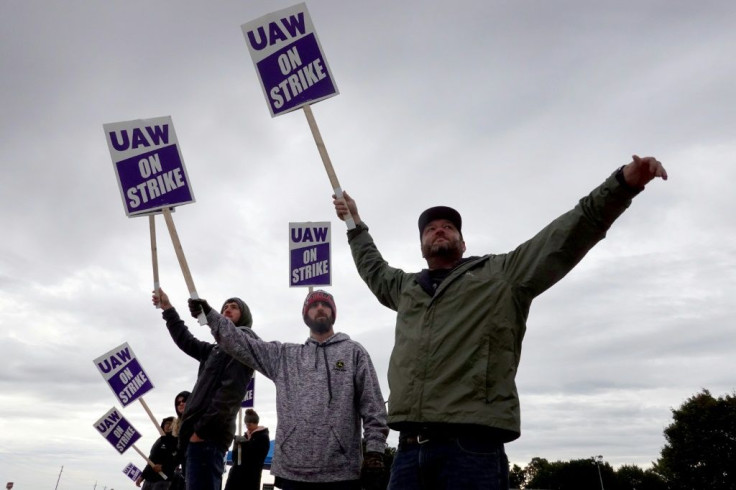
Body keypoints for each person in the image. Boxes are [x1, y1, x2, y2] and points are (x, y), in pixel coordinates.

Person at [332, 156, 668, 489]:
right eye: (431, 228)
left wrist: (622, 185)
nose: (439, 230)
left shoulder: (501, 276)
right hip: (407, 451)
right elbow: (373, 267)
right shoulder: (406, 289)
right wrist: (355, 224)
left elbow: (566, 233)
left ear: (463, 244)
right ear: (422, 247)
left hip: (471, 448)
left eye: (448, 227)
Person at [188, 289, 389, 490]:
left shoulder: (354, 352)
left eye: (325, 304)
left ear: (333, 313)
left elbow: (373, 406)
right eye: (313, 305)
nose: (320, 307)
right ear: (305, 315)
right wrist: (211, 315)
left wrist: (375, 453)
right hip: (293, 473)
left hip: (342, 473)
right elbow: (243, 344)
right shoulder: (285, 355)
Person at [152, 289, 257, 490]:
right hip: (196, 438)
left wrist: (202, 430)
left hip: (207, 437)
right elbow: (185, 340)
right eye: (224, 307)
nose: (227, 309)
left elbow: (231, 393)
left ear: (244, 316)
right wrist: (168, 308)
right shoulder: (214, 351)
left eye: (234, 307)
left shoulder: (245, 340)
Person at [224, 408, 271, 490]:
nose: (247, 427)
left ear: (256, 423)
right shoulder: (245, 436)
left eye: (249, 425)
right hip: (236, 475)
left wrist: (245, 444)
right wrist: (236, 446)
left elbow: (255, 457)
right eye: (246, 424)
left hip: (250, 477)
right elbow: (235, 458)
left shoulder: (262, 437)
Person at [136, 417, 178, 490]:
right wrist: (142, 476)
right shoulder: (159, 441)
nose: (168, 426)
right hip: (149, 480)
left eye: (171, 424)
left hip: (162, 480)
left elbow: (177, 459)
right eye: (167, 423)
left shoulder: (176, 441)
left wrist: (163, 467)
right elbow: (151, 460)